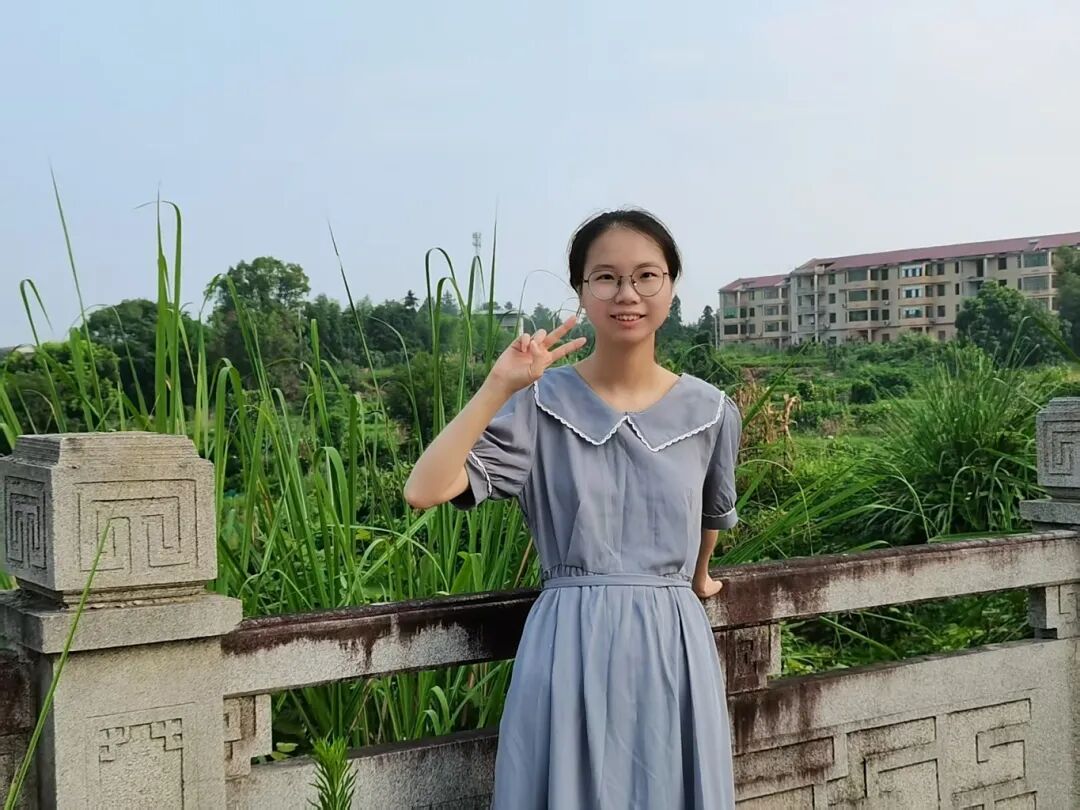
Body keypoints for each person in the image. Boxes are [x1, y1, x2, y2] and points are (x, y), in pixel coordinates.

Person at [404, 209, 740, 809]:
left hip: (673, 648)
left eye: (647, 276)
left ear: (671, 287)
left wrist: (700, 577)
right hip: (569, 645)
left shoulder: (711, 411)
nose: (627, 293)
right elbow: (424, 489)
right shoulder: (540, 403)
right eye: (605, 277)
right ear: (582, 292)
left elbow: (711, 515)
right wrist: (499, 386)